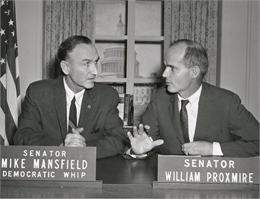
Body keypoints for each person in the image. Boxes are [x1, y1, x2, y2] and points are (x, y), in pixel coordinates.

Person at [127, 39, 259, 157]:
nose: (164, 74)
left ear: (194, 72)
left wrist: (212, 149)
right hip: (171, 181)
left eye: (172, 68)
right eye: (165, 66)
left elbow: (257, 142)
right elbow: (147, 142)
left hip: (213, 180)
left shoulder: (227, 102)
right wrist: (138, 152)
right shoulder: (159, 98)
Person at [14, 35, 128, 159]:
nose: (95, 71)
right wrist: (61, 147)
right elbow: (23, 136)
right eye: (86, 63)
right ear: (66, 68)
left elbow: (118, 140)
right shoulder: (38, 92)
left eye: (95, 62)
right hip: (49, 170)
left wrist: (83, 150)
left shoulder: (107, 96)